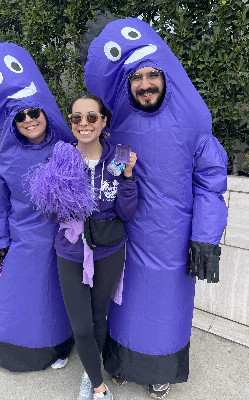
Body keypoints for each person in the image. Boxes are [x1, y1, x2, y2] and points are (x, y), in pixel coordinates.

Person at [79, 12, 228, 399]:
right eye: (136, 78)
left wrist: (206, 238)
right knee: (126, 304)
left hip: (174, 242)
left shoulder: (194, 124)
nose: (145, 85)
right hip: (127, 236)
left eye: (152, 76)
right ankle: (124, 363)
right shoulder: (119, 124)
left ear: (165, 78)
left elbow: (211, 184)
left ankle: (162, 370)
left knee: (165, 308)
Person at [0, 30, 74, 372]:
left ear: (44, 112)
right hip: (24, 241)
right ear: (12, 123)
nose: (29, 119)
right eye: (20, 117)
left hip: (62, 241)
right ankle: (9, 347)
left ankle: (60, 346)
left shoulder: (64, 148)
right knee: (18, 294)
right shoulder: (7, 159)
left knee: (57, 296)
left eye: (33, 112)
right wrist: (1, 239)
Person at [30, 92, 138, 400]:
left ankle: (90, 374)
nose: (84, 124)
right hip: (71, 250)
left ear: (104, 121)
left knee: (98, 315)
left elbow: (127, 212)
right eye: (77, 118)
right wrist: (59, 195)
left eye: (92, 117)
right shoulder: (62, 156)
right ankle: (99, 387)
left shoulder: (119, 155)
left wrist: (128, 176)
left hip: (109, 247)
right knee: (80, 323)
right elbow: (50, 213)